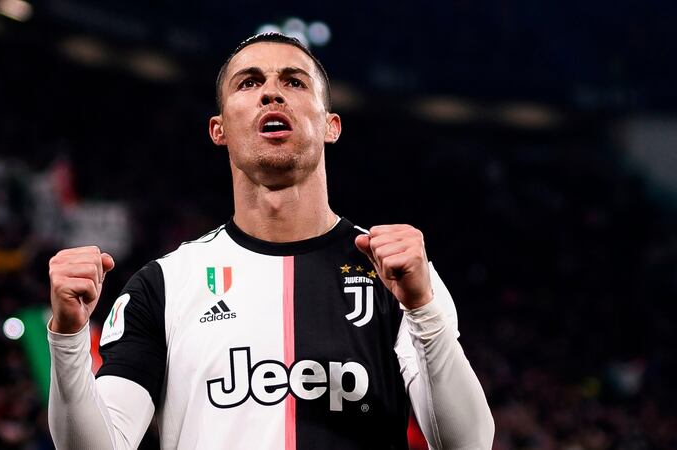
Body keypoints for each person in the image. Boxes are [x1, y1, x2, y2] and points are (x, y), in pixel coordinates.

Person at [47, 33, 494, 449]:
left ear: (330, 125)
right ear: (218, 130)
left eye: (294, 82)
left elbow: (469, 442)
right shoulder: (163, 286)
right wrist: (68, 338)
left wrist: (421, 307)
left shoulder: (397, 274)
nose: (271, 92)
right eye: (249, 82)